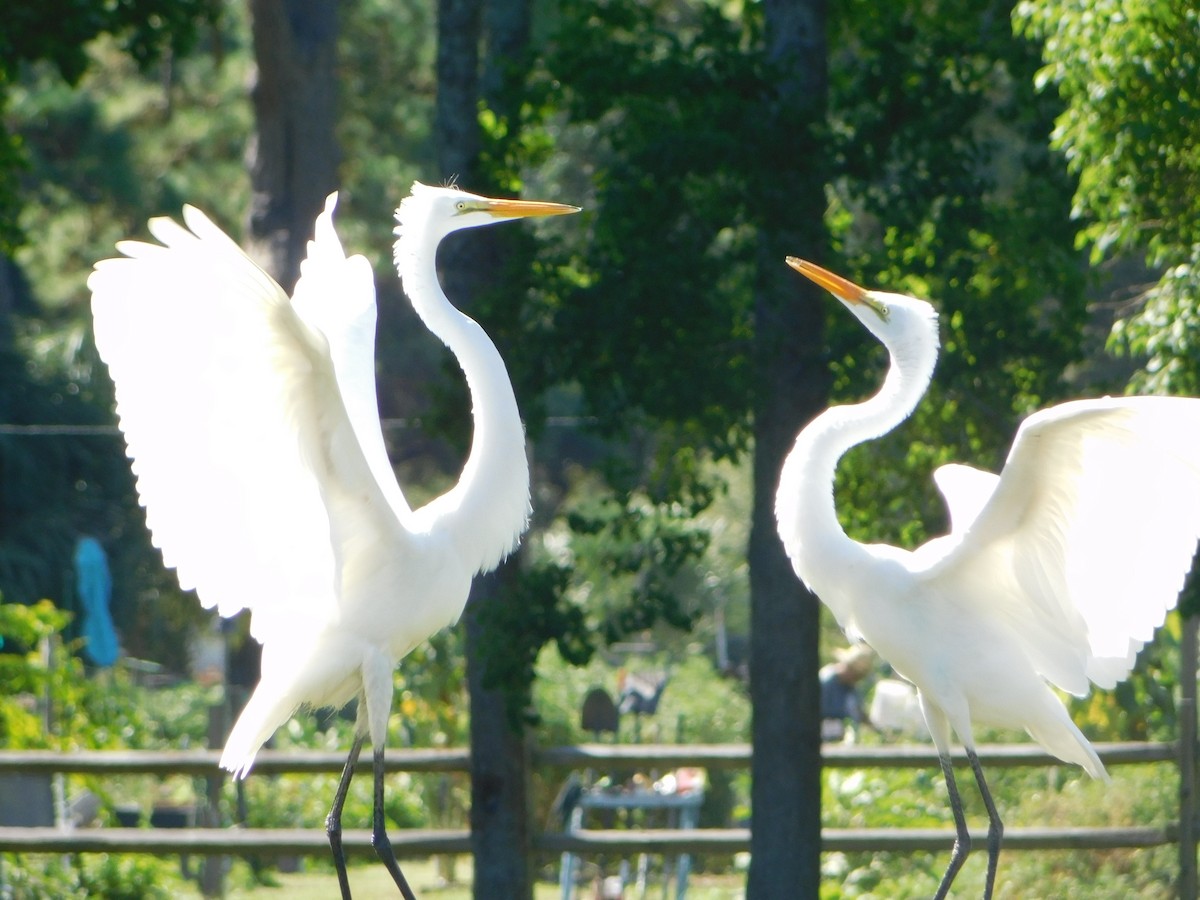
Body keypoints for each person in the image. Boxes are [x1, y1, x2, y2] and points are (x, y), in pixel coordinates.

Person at [819, 644, 875, 742]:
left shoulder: (849, 686)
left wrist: (875, 729)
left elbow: (859, 712)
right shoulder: (826, 682)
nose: (857, 679)